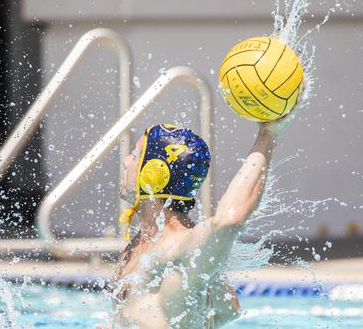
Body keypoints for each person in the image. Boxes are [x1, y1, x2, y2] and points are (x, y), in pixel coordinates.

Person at [111, 117, 289, 328]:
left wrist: (268, 134)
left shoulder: (179, 249)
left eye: (135, 155)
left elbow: (230, 219)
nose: (126, 161)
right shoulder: (142, 244)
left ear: (154, 173)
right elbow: (228, 312)